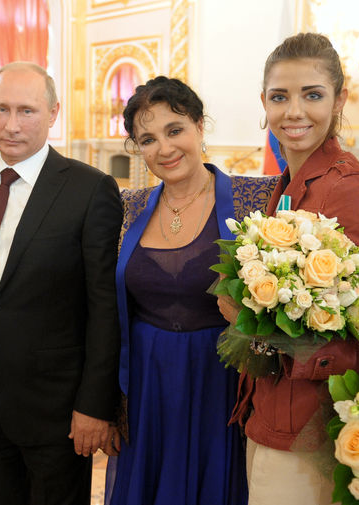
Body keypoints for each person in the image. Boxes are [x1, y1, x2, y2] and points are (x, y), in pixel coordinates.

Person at [219, 33, 359, 505]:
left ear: (340, 99)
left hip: (312, 429)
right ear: (264, 102)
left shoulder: (351, 191)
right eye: (280, 97)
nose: (294, 111)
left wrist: (264, 333)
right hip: (268, 411)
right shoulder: (287, 184)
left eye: (313, 95)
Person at [0, 61, 123, 505]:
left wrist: (94, 405)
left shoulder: (89, 189)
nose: (11, 125)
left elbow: (104, 307)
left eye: (26, 111)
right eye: (1, 109)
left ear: (53, 113)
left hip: (59, 408)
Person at [105, 76, 277, 505]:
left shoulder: (256, 198)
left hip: (220, 379)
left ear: (200, 125)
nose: (164, 148)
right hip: (146, 382)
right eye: (148, 139)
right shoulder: (128, 207)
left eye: (174, 130)